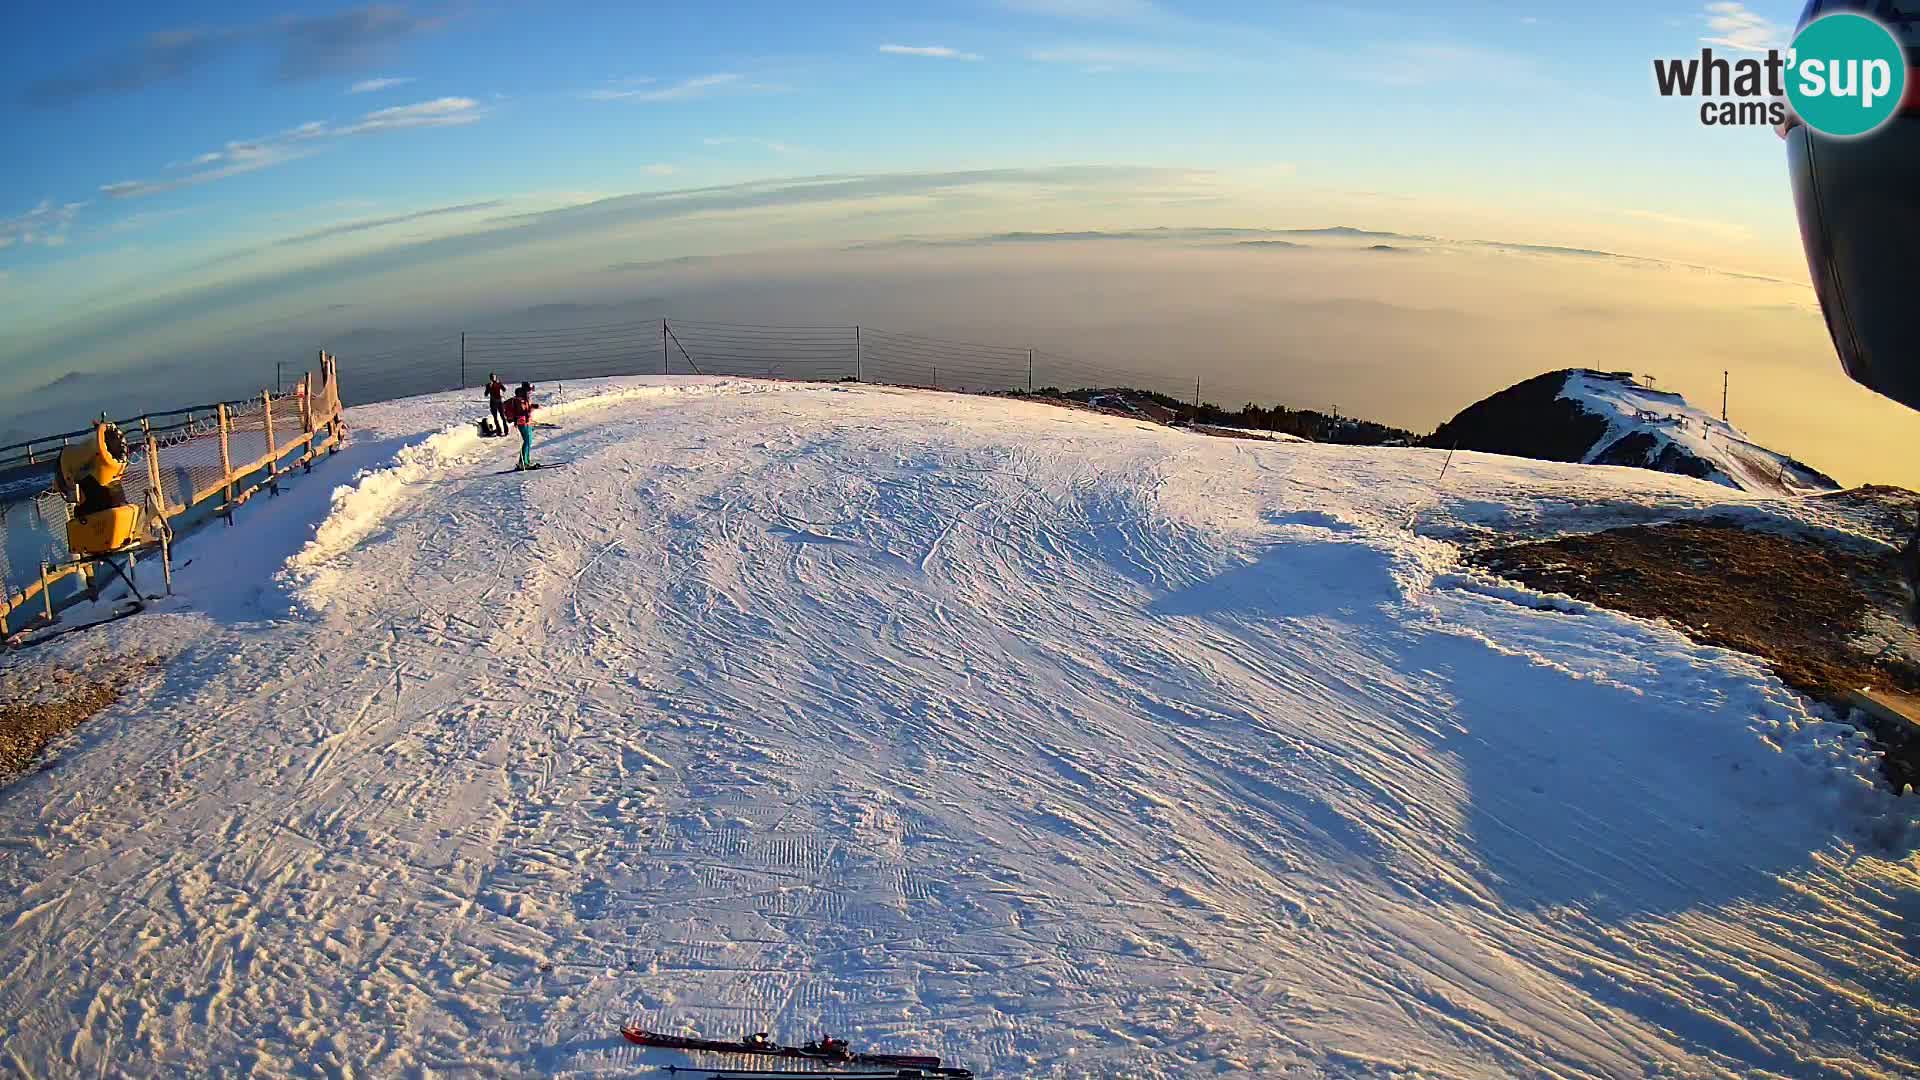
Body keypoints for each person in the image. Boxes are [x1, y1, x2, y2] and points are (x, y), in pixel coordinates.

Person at [502, 382, 540, 470]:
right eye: (529, 391)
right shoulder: (519, 400)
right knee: (527, 441)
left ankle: (526, 461)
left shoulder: (525, 399)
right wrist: (529, 410)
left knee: (529, 441)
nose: (530, 392)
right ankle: (522, 463)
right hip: (522, 423)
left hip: (527, 422)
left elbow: (526, 408)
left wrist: (533, 406)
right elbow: (522, 411)